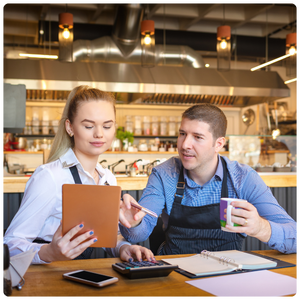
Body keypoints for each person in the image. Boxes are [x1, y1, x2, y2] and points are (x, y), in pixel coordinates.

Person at [119, 103, 300, 255]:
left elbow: (296, 237)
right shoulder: (164, 174)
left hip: (227, 276)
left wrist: (262, 228)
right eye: (182, 134)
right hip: (174, 275)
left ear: (218, 144)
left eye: (197, 137)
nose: (185, 144)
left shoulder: (243, 178)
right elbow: (137, 235)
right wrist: (133, 222)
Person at [4, 86, 154, 264]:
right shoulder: (50, 177)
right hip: (45, 278)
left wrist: (124, 247)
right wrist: (49, 252)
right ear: (70, 127)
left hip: (79, 275)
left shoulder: (107, 179)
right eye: (89, 126)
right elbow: (9, 245)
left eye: (107, 126)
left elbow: (102, 236)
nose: (99, 134)